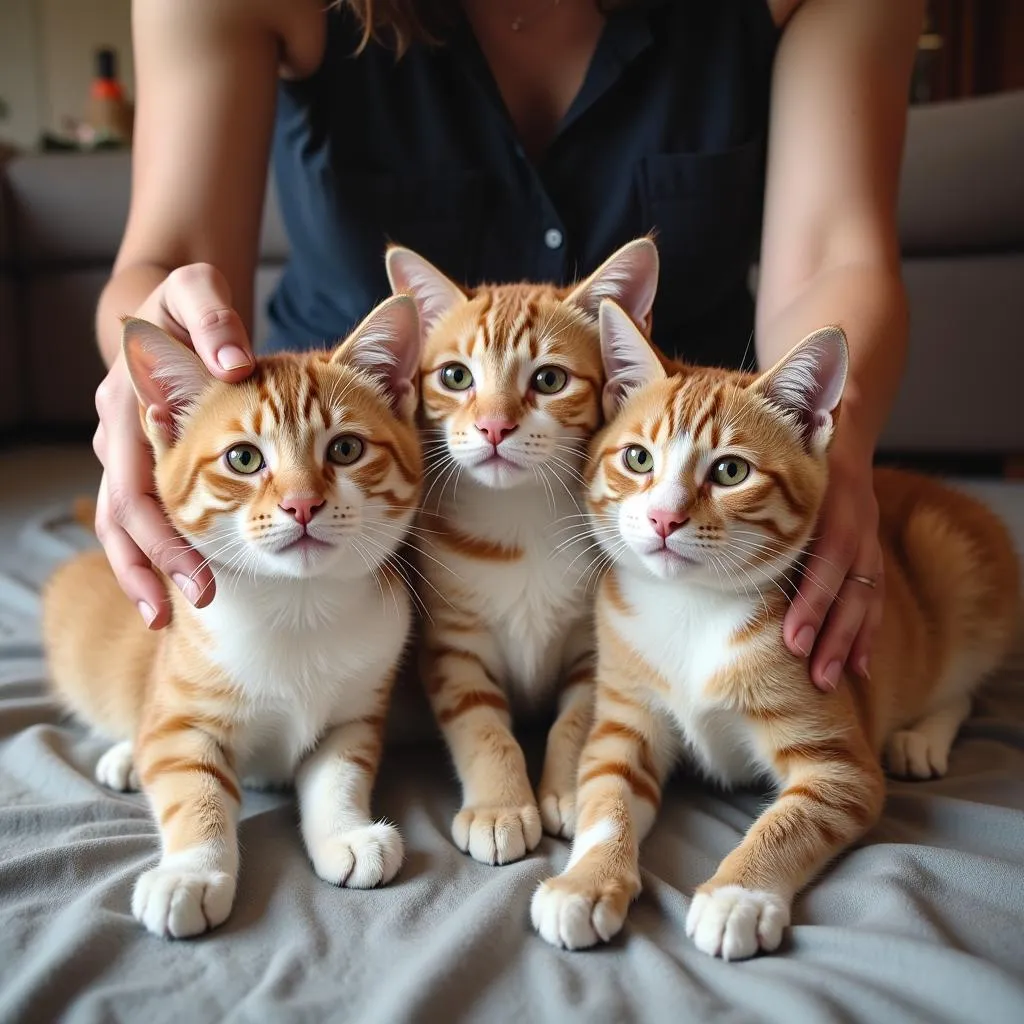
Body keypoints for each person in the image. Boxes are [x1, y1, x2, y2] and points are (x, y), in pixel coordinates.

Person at [91, 0, 924, 693]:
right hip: (347, 525)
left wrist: (829, 443)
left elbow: (835, 260)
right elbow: (164, 260)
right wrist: (158, 382)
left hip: (682, 527)